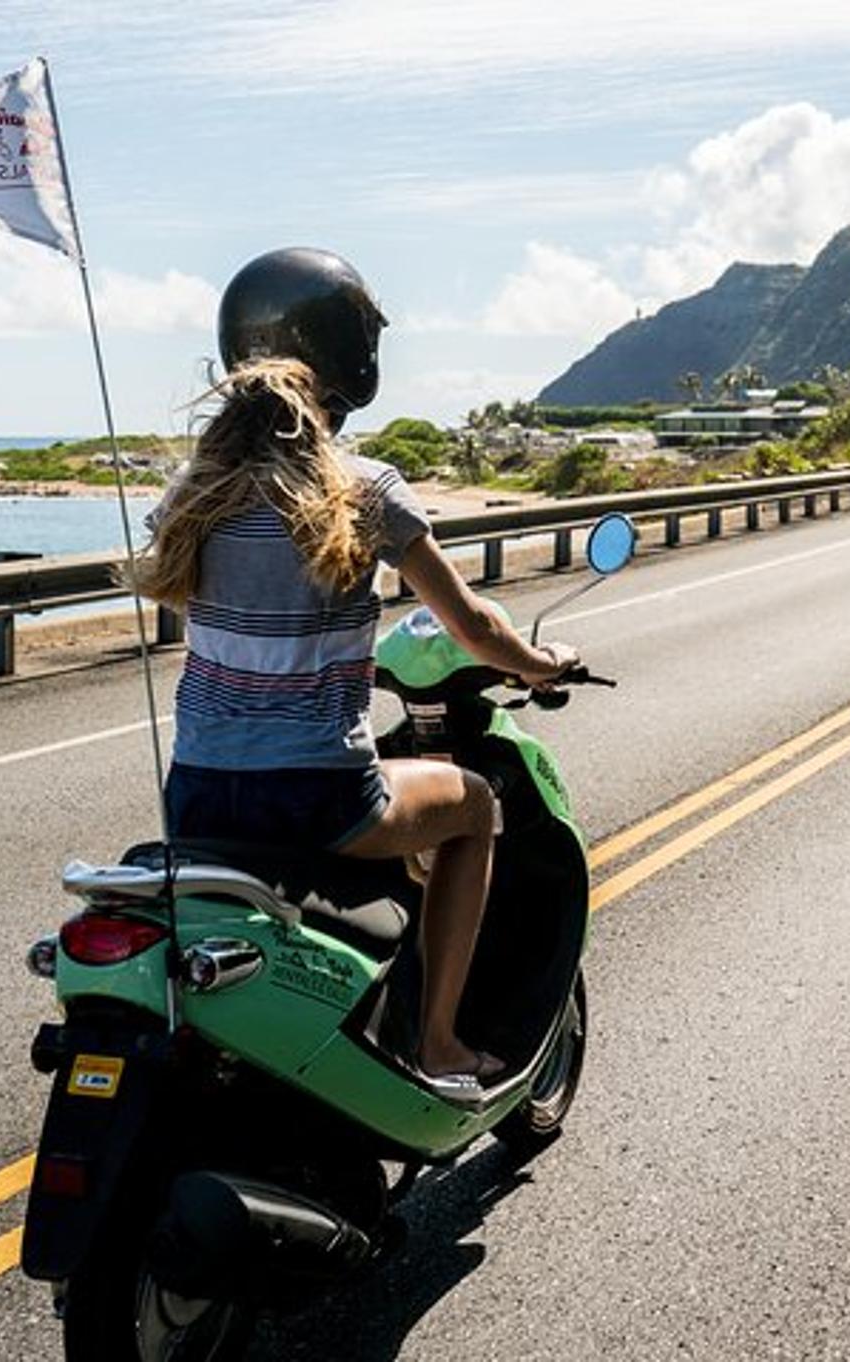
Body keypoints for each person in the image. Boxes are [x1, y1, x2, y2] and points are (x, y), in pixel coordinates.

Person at [132, 247, 576, 1098]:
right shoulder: (363, 490)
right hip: (317, 796)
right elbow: (474, 626)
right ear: (354, 359)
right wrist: (540, 662)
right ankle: (441, 1041)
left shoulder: (194, 492)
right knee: (475, 807)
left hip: (196, 791)